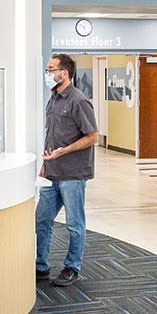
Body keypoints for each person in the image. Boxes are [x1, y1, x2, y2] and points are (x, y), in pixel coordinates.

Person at [36, 53, 99, 287]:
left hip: (73, 174)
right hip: (52, 172)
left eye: (51, 69)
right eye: (48, 69)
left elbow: (92, 137)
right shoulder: (53, 99)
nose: (48, 73)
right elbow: (50, 134)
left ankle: (72, 267)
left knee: (74, 224)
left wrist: (65, 150)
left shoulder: (78, 100)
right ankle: (40, 266)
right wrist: (45, 163)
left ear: (64, 72)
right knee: (41, 221)